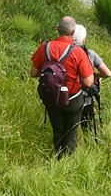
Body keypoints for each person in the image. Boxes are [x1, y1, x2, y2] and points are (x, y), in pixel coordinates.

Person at [33, 16, 97, 156]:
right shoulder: (78, 52)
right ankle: (66, 165)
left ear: (57, 28)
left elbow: (34, 72)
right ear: (73, 33)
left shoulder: (45, 47)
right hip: (72, 99)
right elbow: (87, 82)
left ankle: (57, 158)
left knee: (58, 131)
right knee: (71, 134)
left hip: (51, 98)